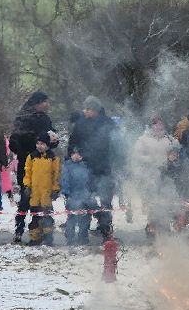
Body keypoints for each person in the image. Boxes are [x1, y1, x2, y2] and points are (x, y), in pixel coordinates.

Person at [9, 90, 56, 243]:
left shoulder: (46, 118)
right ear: (37, 103)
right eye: (44, 102)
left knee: (44, 198)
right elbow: (14, 141)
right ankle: (19, 228)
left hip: (45, 165)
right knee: (26, 197)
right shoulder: (23, 117)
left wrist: (53, 140)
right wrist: (31, 148)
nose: (47, 105)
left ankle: (43, 230)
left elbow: (51, 138)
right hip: (27, 163)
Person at [68, 97, 119, 238]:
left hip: (104, 167)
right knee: (87, 199)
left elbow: (109, 146)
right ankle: (86, 227)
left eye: (88, 109)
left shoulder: (108, 124)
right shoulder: (80, 124)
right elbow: (73, 142)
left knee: (105, 200)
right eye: (84, 108)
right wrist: (73, 153)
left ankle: (105, 228)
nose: (84, 111)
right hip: (85, 169)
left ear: (95, 110)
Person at [129, 117, 177, 224]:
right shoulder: (143, 139)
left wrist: (173, 155)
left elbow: (176, 150)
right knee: (152, 203)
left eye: (161, 124)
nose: (158, 126)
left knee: (165, 201)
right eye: (156, 124)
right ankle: (152, 227)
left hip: (165, 174)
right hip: (149, 175)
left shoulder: (169, 139)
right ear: (151, 126)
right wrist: (151, 159)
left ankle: (164, 226)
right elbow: (136, 155)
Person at [24, 134, 61, 246]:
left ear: (47, 145)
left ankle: (48, 237)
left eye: (42, 144)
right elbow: (28, 173)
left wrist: (56, 189)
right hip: (35, 193)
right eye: (38, 143)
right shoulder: (31, 157)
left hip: (47, 193)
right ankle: (35, 238)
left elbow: (56, 175)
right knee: (35, 216)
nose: (39, 146)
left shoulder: (53, 158)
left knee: (47, 217)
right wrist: (27, 186)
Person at [61, 152, 93, 244]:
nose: (76, 156)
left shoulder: (85, 166)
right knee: (72, 216)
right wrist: (66, 193)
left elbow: (90, 180)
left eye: (79, 154)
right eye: (74, 154)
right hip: (72, 195)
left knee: (85, 217)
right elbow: (64, 180)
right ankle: (70, 237)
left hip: (85, 195)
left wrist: (90, 191)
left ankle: (83, 236)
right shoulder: (67, 166)